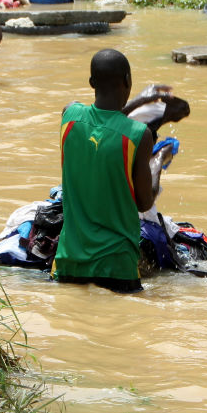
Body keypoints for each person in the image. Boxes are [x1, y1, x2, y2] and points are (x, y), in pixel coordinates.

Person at [52, 49, 162, 293]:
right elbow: (144, 203)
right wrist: (158, 163)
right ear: (128, 81)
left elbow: (102, 122)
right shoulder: (138, 135)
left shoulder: (69, 116)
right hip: (117, 267)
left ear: (91, 82)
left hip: (69, 262)